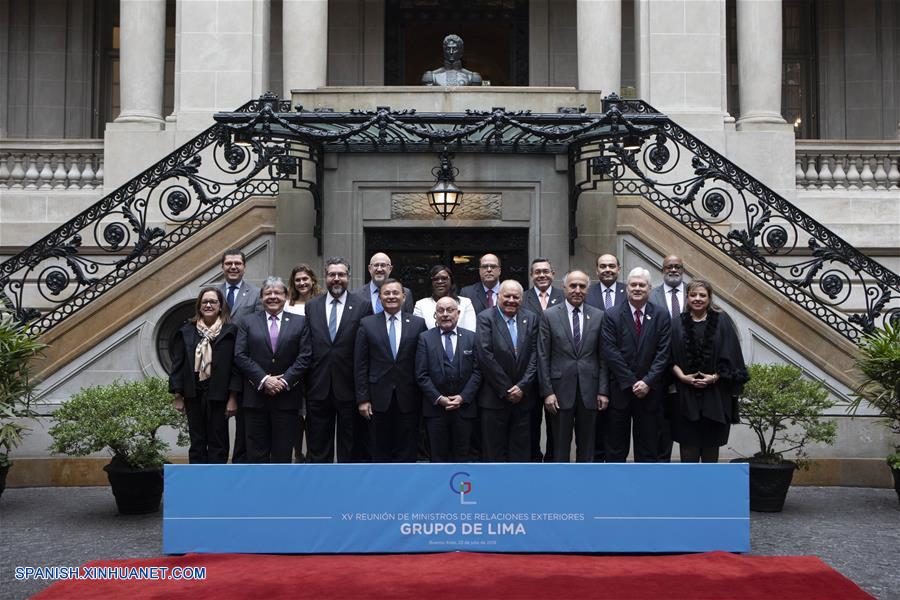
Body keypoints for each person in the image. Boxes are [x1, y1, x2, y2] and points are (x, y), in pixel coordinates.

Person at [669, 280, 748, 463]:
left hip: (716, 396)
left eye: (702, 295)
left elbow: (733, 355)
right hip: (685, 395)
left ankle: (709, 491)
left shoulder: (723, 322)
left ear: (709, 298)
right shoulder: (676, 324)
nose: (697, 299)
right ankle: (689, 491)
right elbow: (667, 357)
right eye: (693, 295)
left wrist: (715, 377)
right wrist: (682, 377)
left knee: (711, 450)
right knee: (688, 449)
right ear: (687, 298)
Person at [233, 277, 311, 463]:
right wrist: (264, 379)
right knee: (256, 454)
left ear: (286, 296)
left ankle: (280, 492)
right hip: (256, 398)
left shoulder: (300, 322)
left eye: (278, 293)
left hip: (287, 399)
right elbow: (240, 355)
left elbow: (305, 356)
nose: (273, 296)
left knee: (282, 454)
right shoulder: (248, 321)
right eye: (268, 293)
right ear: (261, 297)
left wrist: (284, 381)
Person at [304, 257, 373, 463]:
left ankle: (348, 490)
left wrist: (363, 393)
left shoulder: (362, 306)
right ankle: (320, 488)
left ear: (348, 277)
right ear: (325, 277)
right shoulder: (312, 306)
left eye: (341, 275)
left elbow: (365, 352)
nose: (336, 279)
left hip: (349, 387)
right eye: (332, 274)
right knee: (317, 446)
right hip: (318, 387)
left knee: (350, 446)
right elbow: (307, 346)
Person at [537, 270, 610, 462]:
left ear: (588, 289)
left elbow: (603, 357)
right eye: (573, 286)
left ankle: (585, 487)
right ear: (564, 288)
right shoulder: (549, 315)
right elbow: (543, 356)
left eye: (582, 286)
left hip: (590, 390)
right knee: (559, 447)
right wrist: (547, 392)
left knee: (588, 448)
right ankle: (560, 487)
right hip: (559, 391)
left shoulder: (599, 316)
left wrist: (603, 390)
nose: (577, 290)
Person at [602, 267, 671, 463]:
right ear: (626, 288)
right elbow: (610, 352)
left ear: (649, 288)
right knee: (615, 447)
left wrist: (647, 382)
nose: (638, 288)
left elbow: (663, 353)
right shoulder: (612, 314)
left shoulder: (661, 315)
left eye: (642, 285)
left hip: (650, 392)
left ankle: (645, 489)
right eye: (633, 284)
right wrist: (632, 382)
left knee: (648, 448)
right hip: (620, 390)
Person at [355, 279, 427, 462]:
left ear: (404, 297)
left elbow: (423, 362)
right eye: (386, 293)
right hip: (377, 399)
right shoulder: (367, 324)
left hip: (410, 397)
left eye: (396, 293)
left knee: (408, 450)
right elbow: (360, 364)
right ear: (379, 298)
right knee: (380, 451)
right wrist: (363, 399)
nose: (391, 296)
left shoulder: (418, 324)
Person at [169, 287, 239, 464]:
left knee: (219, 441)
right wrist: (178, 395)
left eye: (213, 301)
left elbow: (236, 367)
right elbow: (178, 365)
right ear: (199, 306)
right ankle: (198, 484)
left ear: (220, 306)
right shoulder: (185, 331)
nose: (208, 305)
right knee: (197, 440)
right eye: (205, 302)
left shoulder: (231, 332)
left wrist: (233, 397)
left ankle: (217, 484)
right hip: (193, 393)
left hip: (220, 395)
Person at [475, 280, 538, 462]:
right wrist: (507, 388)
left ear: (522, 299)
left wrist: (522, 387)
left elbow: (535, 354)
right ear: (498, 297)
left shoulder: (531, 318)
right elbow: (485, 355)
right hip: (494, 398)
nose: (511, 300)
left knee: (521, 454)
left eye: (516, 297)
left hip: (523, 399)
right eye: (507, 296)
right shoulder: (486, 318)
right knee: (493, 453)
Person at [415, 296, 482, 462]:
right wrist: (439, 399)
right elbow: (421, 374)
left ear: (458, 313)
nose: (445, 314)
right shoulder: (425, 338)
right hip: (436, 411)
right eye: (440, 311)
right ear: (435, 315)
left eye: (450, 310)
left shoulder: (471, 338)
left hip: (464, 410)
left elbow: (478, 372)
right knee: (438, 458)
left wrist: (463, 397)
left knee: (463, 457)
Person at [218, 249, 262, 464]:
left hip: (244, 366)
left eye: (237, 263)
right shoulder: (212, 293)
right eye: (229, 263)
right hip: (216, 366)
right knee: (216, 423)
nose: (233, 267)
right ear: (222, 267)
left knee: (245, 422)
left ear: (244, 267)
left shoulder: (255, 294)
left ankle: (240, 465)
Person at [521, 257, 565, 462]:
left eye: (546, 271)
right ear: (531, 276)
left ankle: (552, 464)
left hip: (556, 372)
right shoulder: (523, 297)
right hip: (529, 372)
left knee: (556, 425)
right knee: (530, 423)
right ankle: (533, 462)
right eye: (537, 272)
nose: (542, 275)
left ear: (553, 274)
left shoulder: (564, 296)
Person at [584, 253, 625, 462]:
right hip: (594, 367)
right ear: (596, 270)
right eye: (602, 266)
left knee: (618, 428)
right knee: (596, 428)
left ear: (619, 268)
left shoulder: (631, 291)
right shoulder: (586, 293)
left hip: (622, 370)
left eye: (611, 266)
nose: (607, 269)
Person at [648, 254, 688, 463]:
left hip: (688, 369)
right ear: (662, 270)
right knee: (661, 423)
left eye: (677, 266)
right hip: (659, 371)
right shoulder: (652, 295)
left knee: (686, 423)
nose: (673, 270)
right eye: (669, 267)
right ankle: (662, 465)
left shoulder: (694, 294)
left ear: (683, 269)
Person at [414, 264, 477, 331]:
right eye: (436, 279)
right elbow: (418, 333)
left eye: (444, 278)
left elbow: (471, 333)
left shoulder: (465, 303)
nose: (440, 281)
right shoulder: (420, 305)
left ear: (451, 281)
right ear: (431, 283)